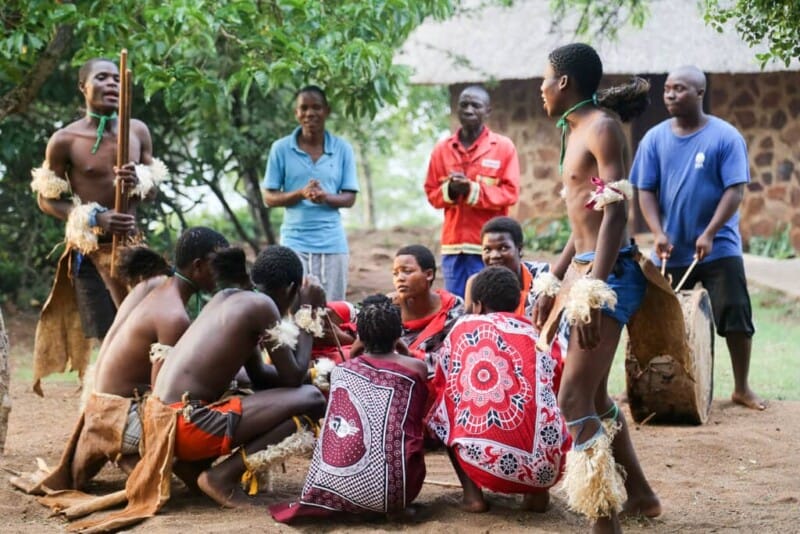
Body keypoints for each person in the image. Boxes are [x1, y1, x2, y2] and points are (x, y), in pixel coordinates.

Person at [535, 43, 660, 532]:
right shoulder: (572, 131)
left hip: (611, 276)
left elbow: (616, 213)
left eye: (544, 78)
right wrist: (554, 278)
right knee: (596, 395)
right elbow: (578, 224)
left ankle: (604, 519)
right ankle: (643, 496)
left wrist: (591, 291)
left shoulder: (603, 128)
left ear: (564, 82)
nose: (539, 88)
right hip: (586, 271)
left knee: (572, 400)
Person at [30, 228, 229, 493]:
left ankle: (129, 455)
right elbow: (162, 401)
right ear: (198, 266)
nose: (224, 272)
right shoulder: (174, 316)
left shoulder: (155, 283)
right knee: (212, 407)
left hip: (98, 408)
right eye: (219, 265)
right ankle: (148, 459)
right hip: (118, 417)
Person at [148, 245, 327, 508]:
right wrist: (309, 313)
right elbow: (292, 378)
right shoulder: (263, 306)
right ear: (291, 289)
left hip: (164, 426)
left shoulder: (230, 297)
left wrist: (309, 375)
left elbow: (260, 376)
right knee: (312, 399)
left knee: (296, 394)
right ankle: (220, 477)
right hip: (188, 425)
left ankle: (191, 466)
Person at [630, 65, 765, 411]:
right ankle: (668, 389)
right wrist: (657, 233)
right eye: (667, 89)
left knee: (734, 313)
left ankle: (741, 387)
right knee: (666, 323)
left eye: (680, 89)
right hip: (671, 251)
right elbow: (644, 190)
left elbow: (734, 191)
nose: (671, 95)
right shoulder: (654, 139)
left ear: (700, 93)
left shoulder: (725, 137)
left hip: (719, 247)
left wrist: (709, 233)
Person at [30, 57, 168, 395]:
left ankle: (149, 398)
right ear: (83, 87)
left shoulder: (137, 131)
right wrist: (94, 216)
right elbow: (46, 199)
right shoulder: (65, 140)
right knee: (112, 333)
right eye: (102, 78)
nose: (111, 85)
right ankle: (107, 402)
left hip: (133, 249)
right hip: (90, 253)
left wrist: (140, 178)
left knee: (145, 327)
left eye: (117, 79)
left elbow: (155, 187)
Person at [270, 294, 428, 522]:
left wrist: (357, 347)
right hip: (393, 494)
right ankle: (396, 510)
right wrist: (401, 348)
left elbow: (354, 357)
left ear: (360, 337)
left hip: (336, 488)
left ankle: (353, 502)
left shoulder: (342, 371)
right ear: (398, 335)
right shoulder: (416, 368)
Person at [428, 267, 570, 513]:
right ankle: (536, 495)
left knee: (444, 409)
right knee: (543, 404)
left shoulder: (463, 327)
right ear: (517, 302)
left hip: (479, 462)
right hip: (547, 469)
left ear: (478, 305)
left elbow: (442, 383)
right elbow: (558, 382)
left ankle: (473, 497)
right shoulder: (541, 334)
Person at [262, 85, 359, 301]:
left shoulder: (343, 149)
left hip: (332, 243)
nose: (310, 113)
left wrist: (325, 197)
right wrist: (301, 194)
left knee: (332, 308)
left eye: (316, 107)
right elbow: (268, 197)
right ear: (296, 113)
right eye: (303, 108)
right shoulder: (281, 149)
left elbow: (350, 197)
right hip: (294, 243)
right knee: (295, 307)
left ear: (327, 111)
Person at [424, 85, 520, 299]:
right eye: (463, 105)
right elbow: (431, 193)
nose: (468, 109)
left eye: (475, 105)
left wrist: (472, 190)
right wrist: (450, 190)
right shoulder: (442, 149)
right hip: (453, 247)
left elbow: (510, 192)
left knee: (490, 301)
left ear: (488, 111)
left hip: (490, 248)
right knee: (456, 305)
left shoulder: (503, 147)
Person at [389, 244, 464, 377]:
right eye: (395, 273)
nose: (399, 278)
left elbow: (456, 359)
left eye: (407, 271)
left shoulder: (453, 309)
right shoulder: (388, 310)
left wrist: (409, 355)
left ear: (429, 274)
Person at [464, 216, 551, 318]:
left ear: (520, 249)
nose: (494, 256)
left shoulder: (543, 277)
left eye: (503, 248)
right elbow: (469, 323)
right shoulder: (477, 283)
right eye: (487, 250)